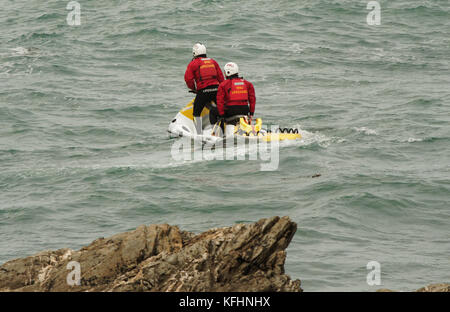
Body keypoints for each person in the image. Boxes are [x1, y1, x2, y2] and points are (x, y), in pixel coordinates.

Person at [184, 43, 224, 134]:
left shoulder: (193, 63)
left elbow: (188, 79)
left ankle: (198, 133)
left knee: (196, 113)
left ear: (194, 53)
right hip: (216, 90)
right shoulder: (213, 61)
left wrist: (194, 89)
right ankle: (223, 131)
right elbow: (221, 78)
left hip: (203, 91)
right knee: (220, 111)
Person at [216, 62, 256, 136]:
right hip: (244, 110)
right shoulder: (248, 84)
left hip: (230, 111)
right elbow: (252, 100)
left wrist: (222, 116)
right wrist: (251, 114)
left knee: (213, 112)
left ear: (228, 72)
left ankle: (220, 134)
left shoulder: (223, 85)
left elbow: (219, 101)